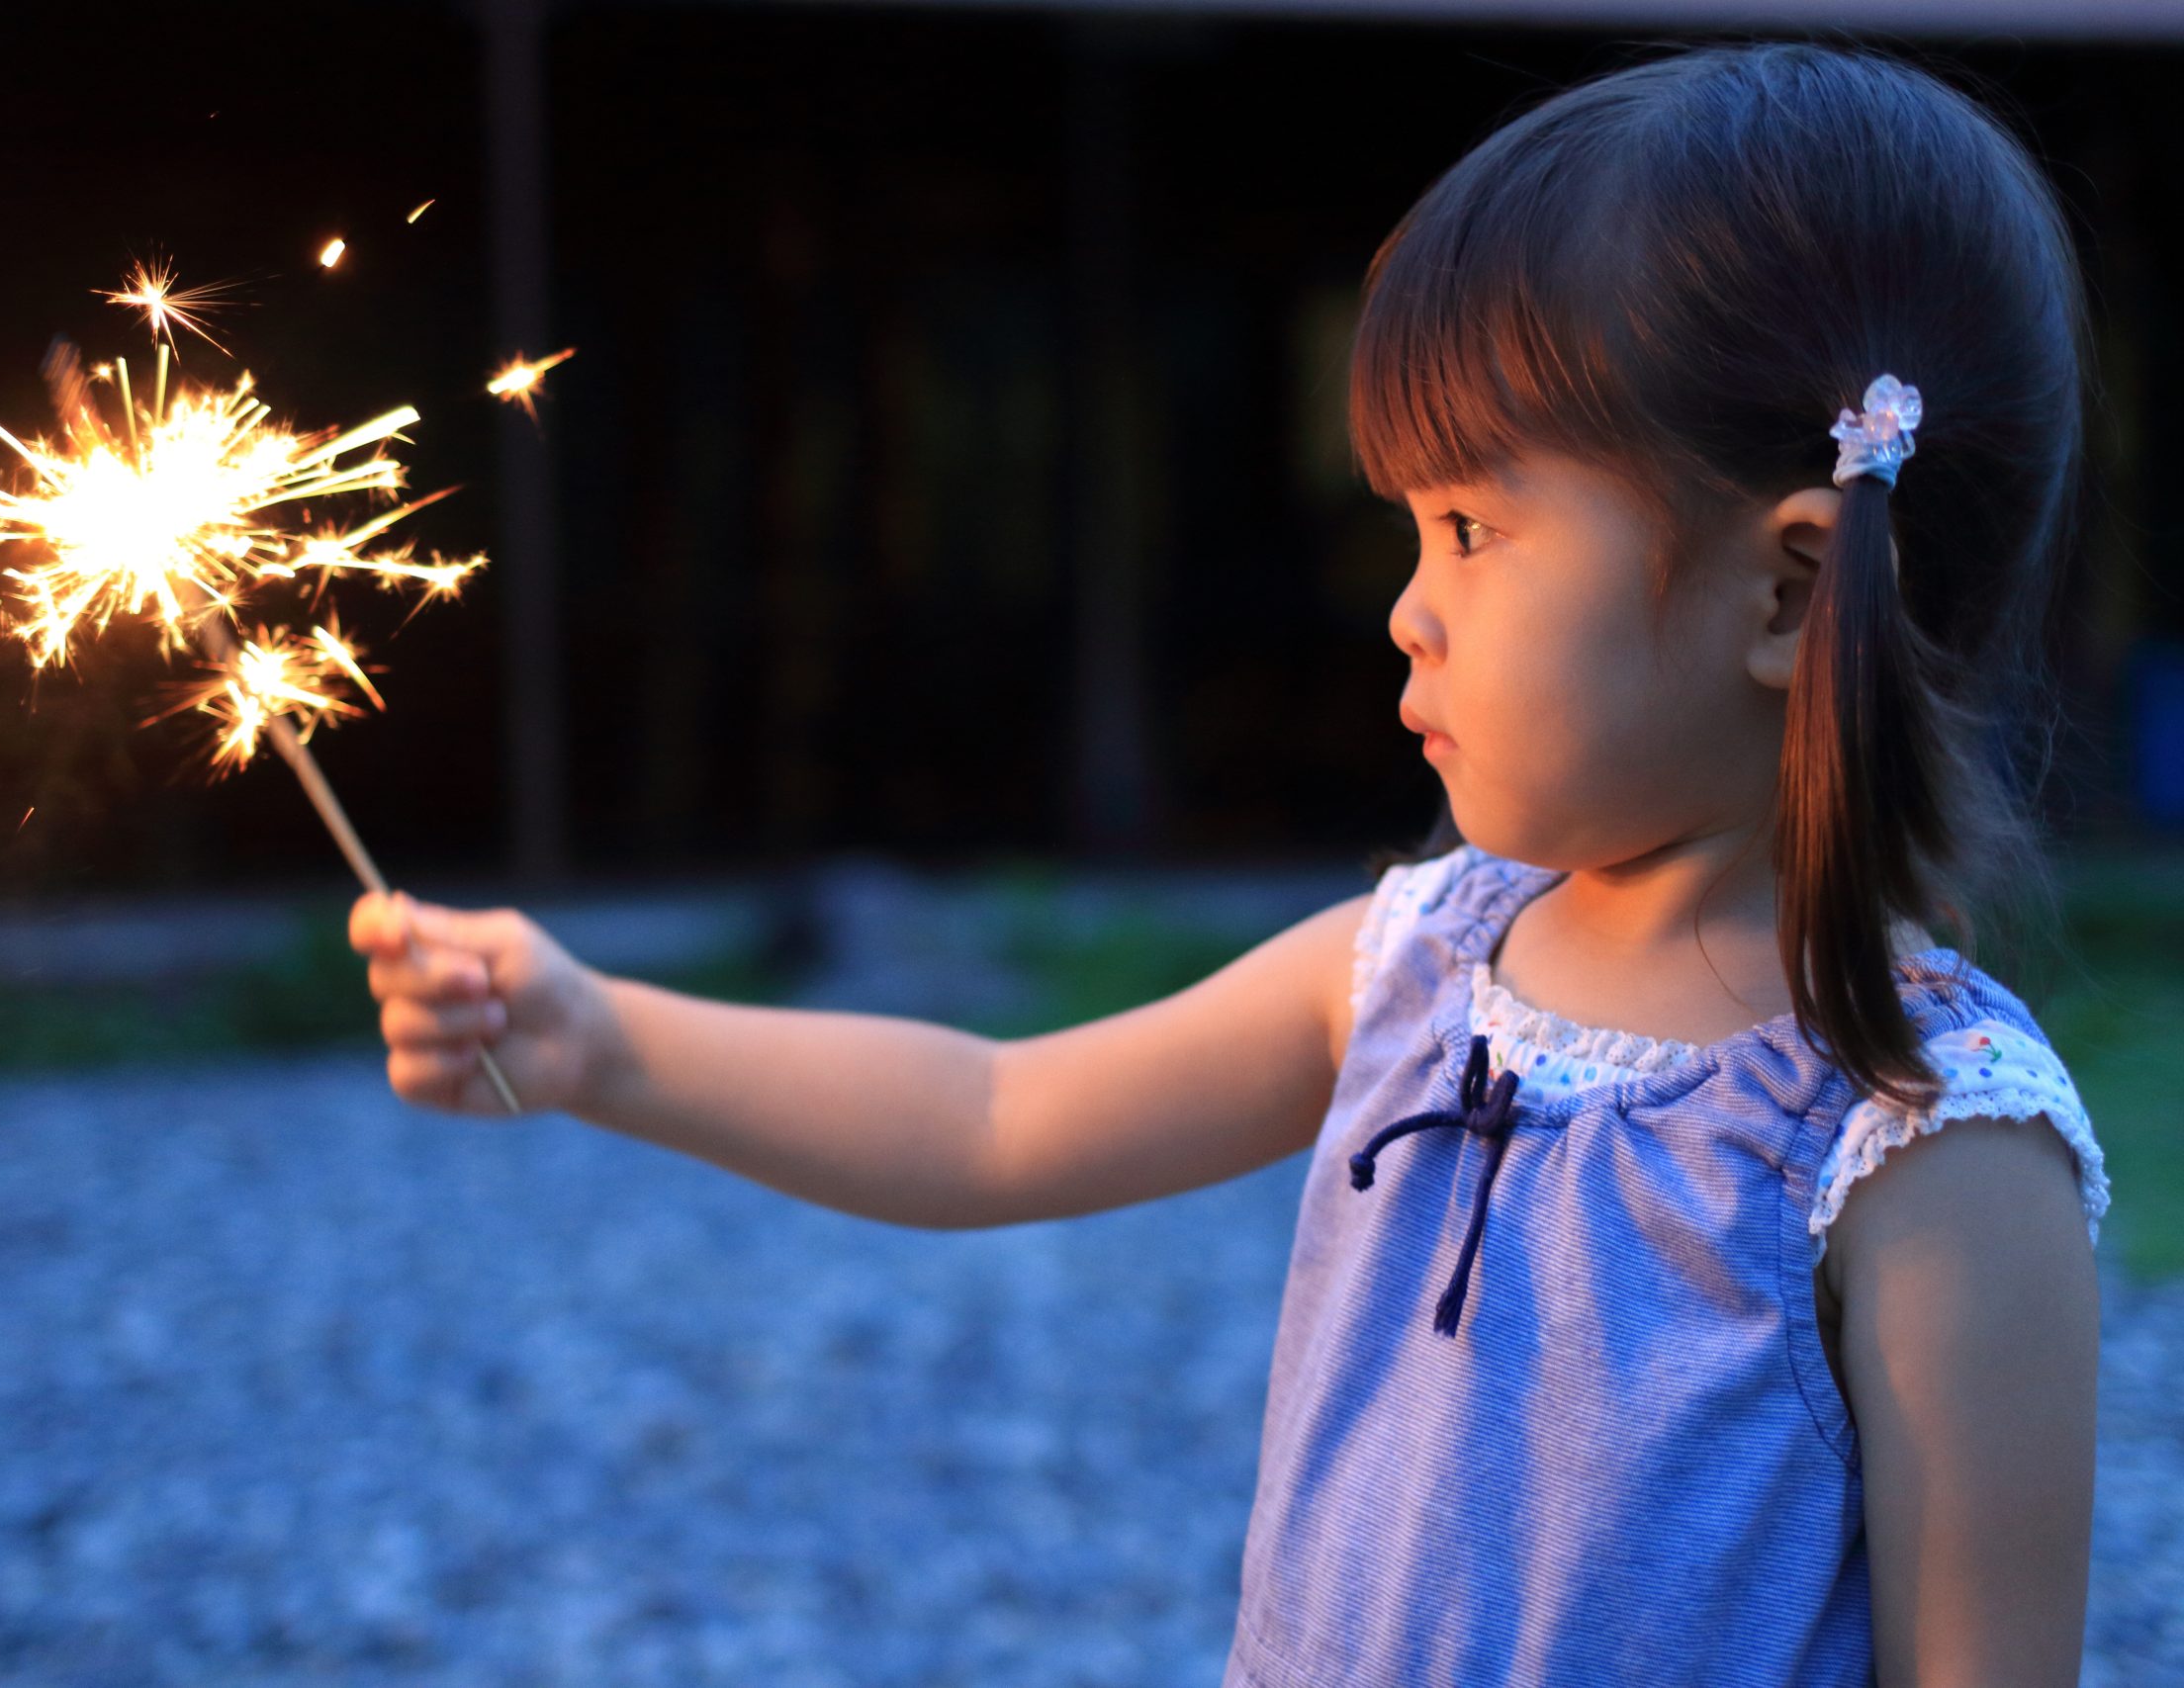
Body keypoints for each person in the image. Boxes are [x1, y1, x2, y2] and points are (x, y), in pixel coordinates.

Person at [349, 38, 2114, 1688]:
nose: (1409, 610)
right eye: (1411, 531)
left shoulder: (1922, 1138)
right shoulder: (1418, 968)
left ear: (1790, 588)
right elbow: (991, 1119)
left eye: (1473, 528)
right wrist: (601, 1041)